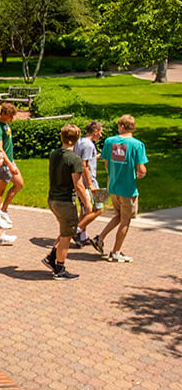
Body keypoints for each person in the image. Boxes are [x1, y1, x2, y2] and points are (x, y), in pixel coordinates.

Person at [92, 114, 148, 262]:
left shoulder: (110, 141)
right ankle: (116, 252)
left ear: (122, 127)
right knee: (125, 221)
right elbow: (142, 170)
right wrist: (140, 174)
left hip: (113, 187)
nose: (118, 128)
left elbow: (105, 163)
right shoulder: (137, 145)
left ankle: (100, 237)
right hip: (128, 190)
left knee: (118, 215)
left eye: (118, 126)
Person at [42, 124, 91, 280]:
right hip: (65, 201)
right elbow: (78, 185)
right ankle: (59, 269)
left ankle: (51, 257)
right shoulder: (74, 159)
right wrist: (87, 203)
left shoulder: (54, 154)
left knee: (65, 231)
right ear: (76, 139)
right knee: (66, 236)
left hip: (53, 199)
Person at [72, 121, 105, 251]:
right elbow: (84, 165)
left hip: (81, 181)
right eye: (100, 132)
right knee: (99, 208)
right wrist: (91, 184)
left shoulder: (80, 141)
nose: (101, 135)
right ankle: (77, 231)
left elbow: (83, 159)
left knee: (85, 210)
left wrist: (95, 157)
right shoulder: (89, 145)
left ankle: (83, 237)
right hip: (90, 181)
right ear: (95, 131)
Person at [0, 102, 24, 230]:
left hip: (9, 161)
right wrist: (10, 165)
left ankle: (3, 211)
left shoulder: (5, 125)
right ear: (3, 114)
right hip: (4, 164)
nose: (12, 119)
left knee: (19, 184)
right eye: (10, 116)